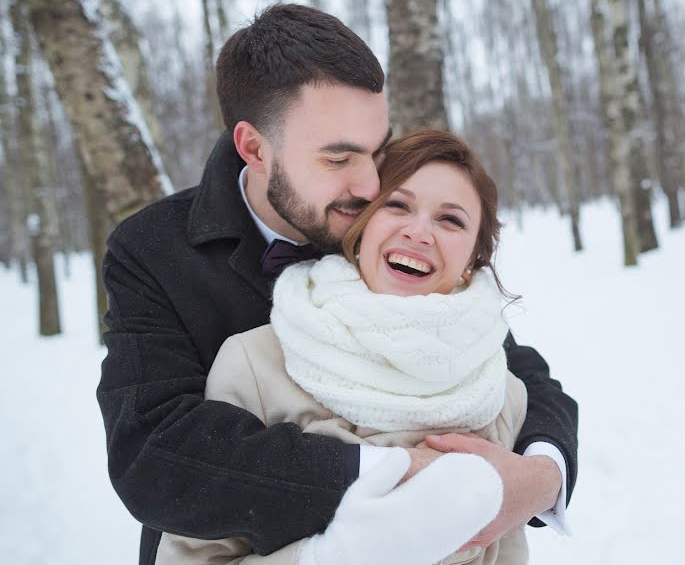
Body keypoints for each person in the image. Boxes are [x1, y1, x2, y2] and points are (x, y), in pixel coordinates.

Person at [98, 4, 578, 565]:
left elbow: (503, 364)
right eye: (338, 157)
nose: (372, 182)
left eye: (377, 151)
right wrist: (399, 476)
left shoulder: (379, 223)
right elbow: (153, 453)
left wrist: (540, 478)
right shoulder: (153, 247)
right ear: (254, 148)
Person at [158, 130, 534, 564]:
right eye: (397, 205)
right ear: (360, 223)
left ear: (475, 257)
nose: (419, 232)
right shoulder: (256, 365)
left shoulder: (499, 393)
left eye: (451, 220)